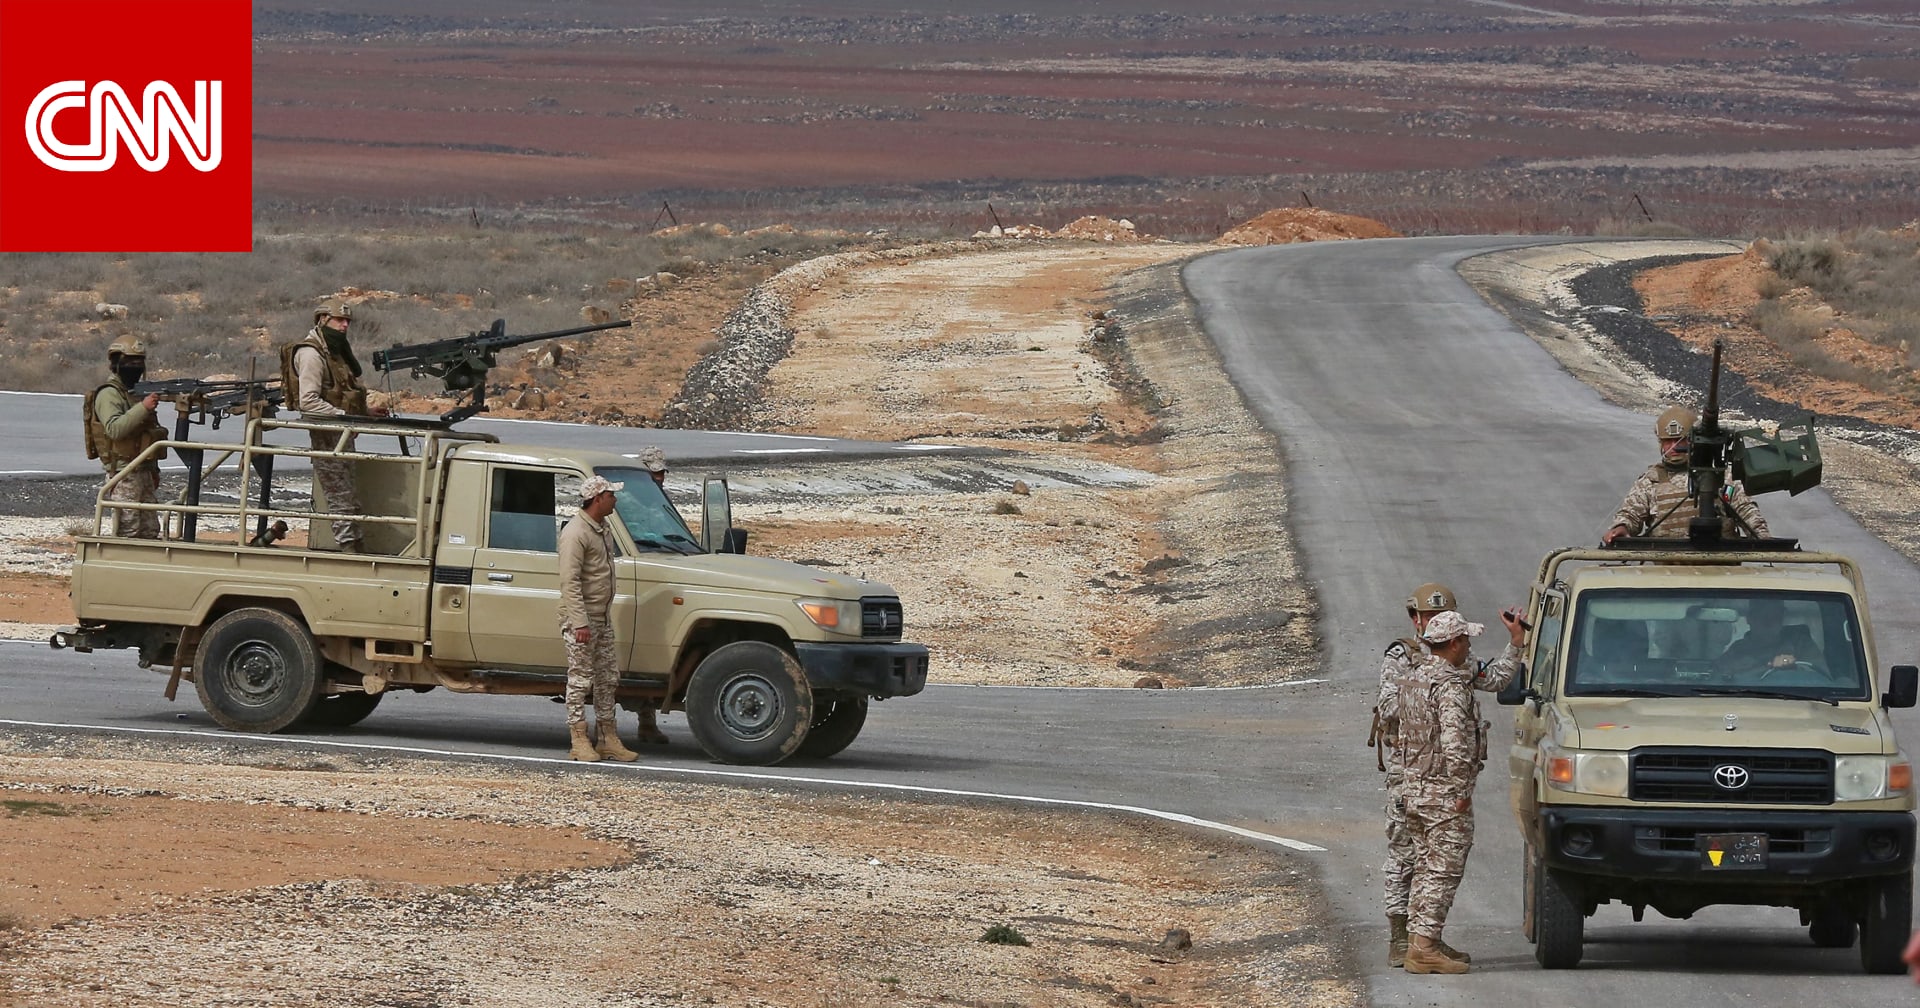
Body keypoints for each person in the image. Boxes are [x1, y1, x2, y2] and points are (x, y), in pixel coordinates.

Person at [1374, 583, 1523, 967]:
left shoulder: (1448, 669)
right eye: (1427, 615)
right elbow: (1395, 711)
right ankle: (1404, 938)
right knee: (1416, 859)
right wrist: (1459, 789)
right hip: (1415, 777)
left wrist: (1516, 643)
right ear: (1416, 620)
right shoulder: (1406, 660)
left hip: (1423, 780)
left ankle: (1423, 940)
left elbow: (1496, 678)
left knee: (1428, 861)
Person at [279, 301, 388, 553]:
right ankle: (349, 548)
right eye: (339, 320)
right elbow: (308, 401)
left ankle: (354, 545)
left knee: (348, 494)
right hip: (327, 432)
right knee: (339, 495)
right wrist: (343, 417)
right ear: (323, 320)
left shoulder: (333, 353)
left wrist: (364, 413)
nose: (345, 325)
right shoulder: (311, 354)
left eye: (347, 321)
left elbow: (340, 393)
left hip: (340, 430)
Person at [558, 474, 640, 763]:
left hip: (602, 618)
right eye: (611, 495)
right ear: (597, 499)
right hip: (583, 620)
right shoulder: (576, 532)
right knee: (580, 680)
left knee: (607, 678)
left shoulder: (602, 528)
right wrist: (579, 622)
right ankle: (579, 738)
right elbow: (570, 581)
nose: (615, 499)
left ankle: (608, 738)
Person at [1602, 406, 1767, 545]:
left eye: (1680, 441)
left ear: (1694, 440)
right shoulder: (1651, 482)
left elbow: (1746, 510)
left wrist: (1762, 537)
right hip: (1665, 573)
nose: (1673, 447)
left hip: (1721, 568)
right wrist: (1621, 528)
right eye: (1668, 441)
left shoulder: (1723, 478)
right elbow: (1630, 514)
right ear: (1660, 442)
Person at [84, 335, 167, 539]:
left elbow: (148, 433)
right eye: (130, 362)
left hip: (143, 470)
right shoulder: (109, 394)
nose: (136, 367)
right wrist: (143, 407)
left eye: (139, 362)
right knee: (128, 530)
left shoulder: (134, 393)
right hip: (124, 472)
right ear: (116, 363)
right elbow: (115, 429)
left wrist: (154, 469)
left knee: (149, 530)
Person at [631, 444, 672, 745]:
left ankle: (647, 722)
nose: (658, 478)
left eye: (661, 473)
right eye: (653, 472)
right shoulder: (627, 500)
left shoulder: (656, 499)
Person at [1718, 597, 1824, 677]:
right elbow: (1717, 677)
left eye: (1775, 615)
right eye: (1761, 615)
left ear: (1783, 617)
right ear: (1750, 618)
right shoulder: (1737, 651)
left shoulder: (1801, 644)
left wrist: (1794, 665)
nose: (1769, 621)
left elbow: (1822, 677)